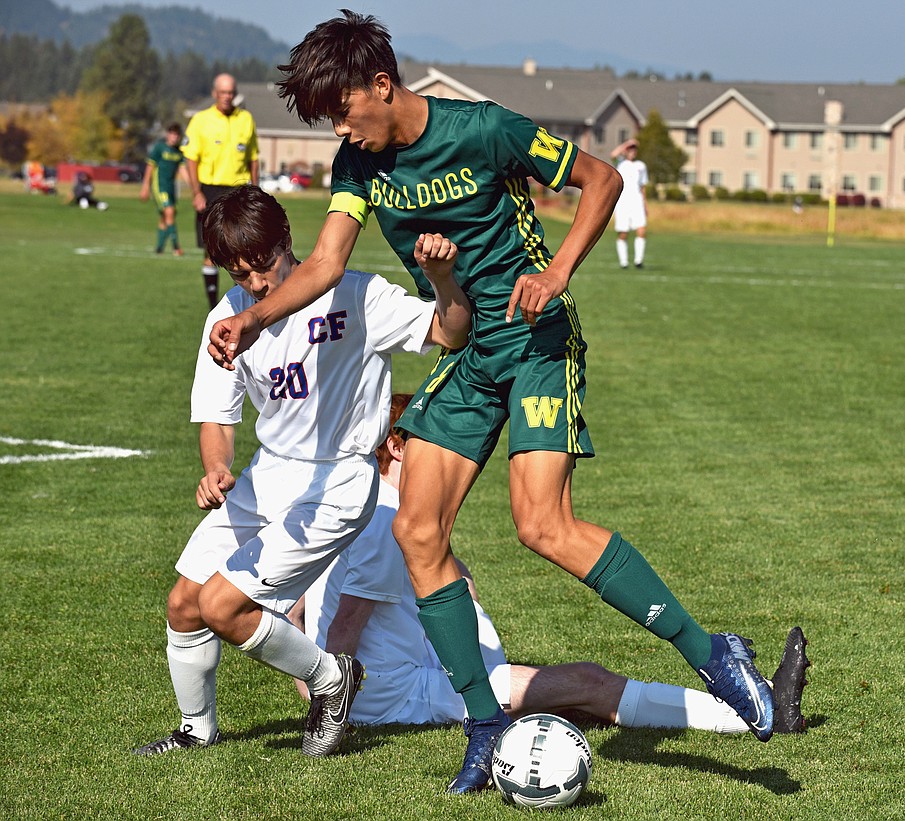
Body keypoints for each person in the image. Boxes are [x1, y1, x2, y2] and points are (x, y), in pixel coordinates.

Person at [207, 11, 792, 794]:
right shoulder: (358, 166)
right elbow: (322, 263)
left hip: (538, 341)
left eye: (343, 109)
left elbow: (601, 179)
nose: (340, 128)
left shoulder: (483, 128)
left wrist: (557, 274)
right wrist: (254, 317)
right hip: (469, 354)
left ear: (382, 84)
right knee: (417, 530)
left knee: (541, 525)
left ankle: (716, 652)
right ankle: (485, 726)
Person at [133, 185, 471, 758]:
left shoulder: (356, 294)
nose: (256, 284)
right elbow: (217, 415)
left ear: (287, 242)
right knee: (185, 604)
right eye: (240, 275)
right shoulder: (227, 315)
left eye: (262, 265)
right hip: (268, 477)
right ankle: (197, 729)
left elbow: (452, 331)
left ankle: (330, 679)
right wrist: (216, 468)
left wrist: (442, 280)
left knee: (223, 606)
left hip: (338, 482)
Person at [290, 393, 811, 735]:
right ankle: (750, 714)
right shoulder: (385, 522)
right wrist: (331, 715)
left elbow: (296, 611)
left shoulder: (360, 507)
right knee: (585, 680)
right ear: (398, 448)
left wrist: (310, 688)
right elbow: (346, 625)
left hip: (404, 674)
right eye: (433, 444)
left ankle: (745, 702)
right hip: (396, 693)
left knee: (554, 690)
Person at [183, 73, 260, 308]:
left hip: (238, 190)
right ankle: (212, 304)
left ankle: (247, 301)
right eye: (223, 92)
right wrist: (196, 192)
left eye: (231, 93)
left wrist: (256, 190)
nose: (227, 97)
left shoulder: (245, 119)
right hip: (209, 191)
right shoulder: (200, 120)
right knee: (211, 251)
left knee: (245, 248)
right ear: (215, 93)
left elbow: (253, 158)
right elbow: (191, 159)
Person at [141, 123, 188, 256]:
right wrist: (145, 186)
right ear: (168, 134)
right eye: (172, 134)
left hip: (171, 188)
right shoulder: (159, 147)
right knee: (170, 212)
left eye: (177, 135)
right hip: (159, 186)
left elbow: (183, 170)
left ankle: (159, 248)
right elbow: (150, 167)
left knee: (165, 217)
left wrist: (195, 188)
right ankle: (176, 247)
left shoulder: (179, 152)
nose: (174, 137)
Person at [610, 138, 649, 268]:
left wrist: (645, 204)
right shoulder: (620, 163)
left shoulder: (641, 166)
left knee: (642, 231)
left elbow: (643, 186)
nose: (632, 151)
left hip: (637, 201)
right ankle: (624, 261)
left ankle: (639, 260)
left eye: (634, 149)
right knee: (623, 233)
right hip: (623, 202)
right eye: (630, 149)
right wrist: (627, 144)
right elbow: (613, 155)